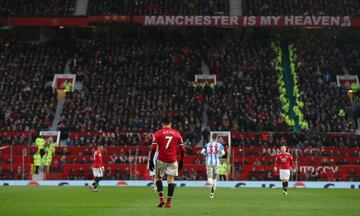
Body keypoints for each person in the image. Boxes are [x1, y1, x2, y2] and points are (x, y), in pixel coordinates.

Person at [149, 117, 185, 208]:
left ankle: (161, 199)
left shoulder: (158, 133)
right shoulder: (176, 134)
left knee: (158, 178)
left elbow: (153, 148)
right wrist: (181, 161)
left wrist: (150, 160)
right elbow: (182, 149)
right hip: (172, 160)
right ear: (170, 124)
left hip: (161, 159)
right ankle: (169, 202)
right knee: (171, 180)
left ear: (162, 124)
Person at [200, 133, 225, 198]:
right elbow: (223, 153)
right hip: (216, 163)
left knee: (210, 177)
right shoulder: (220, 145)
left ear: (211, 137)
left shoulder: (207, 144)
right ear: (217, 138)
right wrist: (218, 156)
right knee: (215, 178)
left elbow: (202, 152)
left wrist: (206, 155)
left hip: (209, 162)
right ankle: (212, 194)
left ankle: (209, 182)